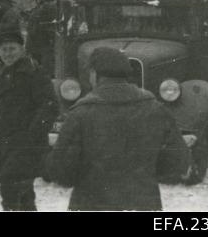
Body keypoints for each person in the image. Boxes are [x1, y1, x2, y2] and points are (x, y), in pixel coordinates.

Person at [45, 47, 191, 211]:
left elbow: (60, 171)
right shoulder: (156, 109)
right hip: (143, 203)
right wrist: (147, 174)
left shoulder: (80, 113)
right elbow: (179, 161)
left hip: (91, 203)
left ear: (94, 74)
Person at [0, 28, 59, 211]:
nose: (8, 53)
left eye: (12, 49)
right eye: (4, 50)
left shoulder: (33, 73)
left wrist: (31, 137)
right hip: (6, 144)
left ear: (22, 49)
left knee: (10, 192)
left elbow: (50, 106)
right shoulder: (6, 73)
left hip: (24, 145)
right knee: (24, 193)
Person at [25, 0, 58, 78]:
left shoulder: (46, 11)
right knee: (43, 61)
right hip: (38, 42)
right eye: (51, 3)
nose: (53, 5)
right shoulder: (38, 14)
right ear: (46, 3)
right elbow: (32, 30)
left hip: (40, 42)